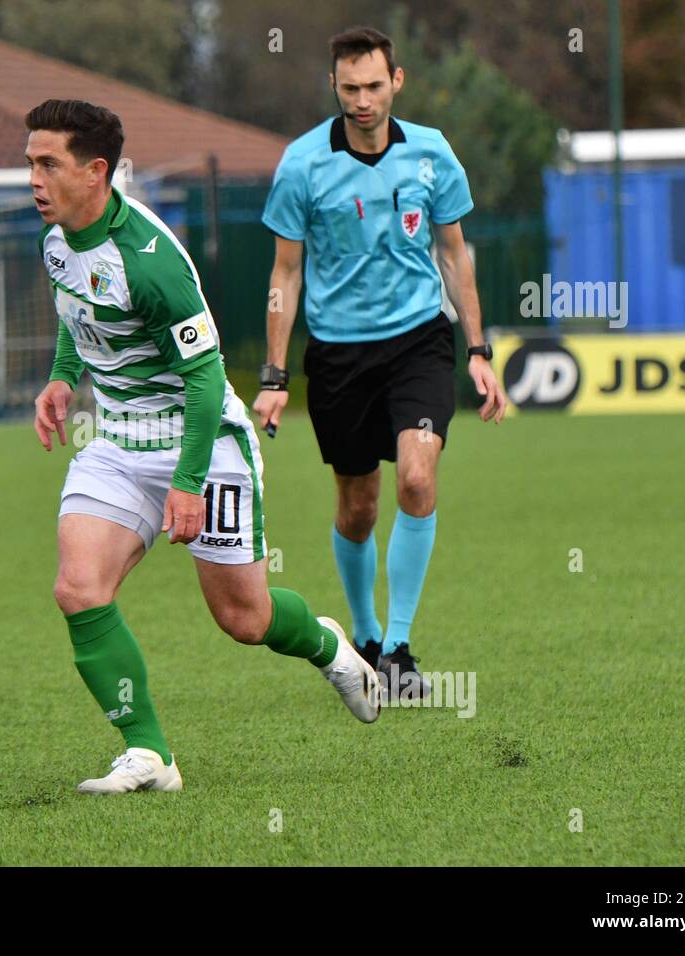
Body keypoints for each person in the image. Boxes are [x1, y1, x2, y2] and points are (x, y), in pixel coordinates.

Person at [26, 99, 379, 795]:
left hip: (203, 440)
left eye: (47, 164)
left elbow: (205, 377)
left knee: (243, 619)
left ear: (96, 172)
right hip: (119, 441)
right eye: (30, 162)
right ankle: (149, 754)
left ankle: (330, 648)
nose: (33, 179)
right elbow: (77, 309)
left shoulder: (151, 262)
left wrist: (188, 481)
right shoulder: (57, 238)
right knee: (78, 588)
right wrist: (64, 378)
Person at [252, 27, 506, 701]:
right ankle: (363, 639)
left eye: (374, 85)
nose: (362, 100)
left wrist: (478, 349)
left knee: (418, 479)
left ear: (398, 80)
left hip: (420, 340)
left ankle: (397, 650)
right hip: (337, 355)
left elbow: (454, 256)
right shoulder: (302, 164)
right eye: (349, 88)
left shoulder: (431, 152)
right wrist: (275, 376)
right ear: (333, 86)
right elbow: (285, 271)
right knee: (358, 506)